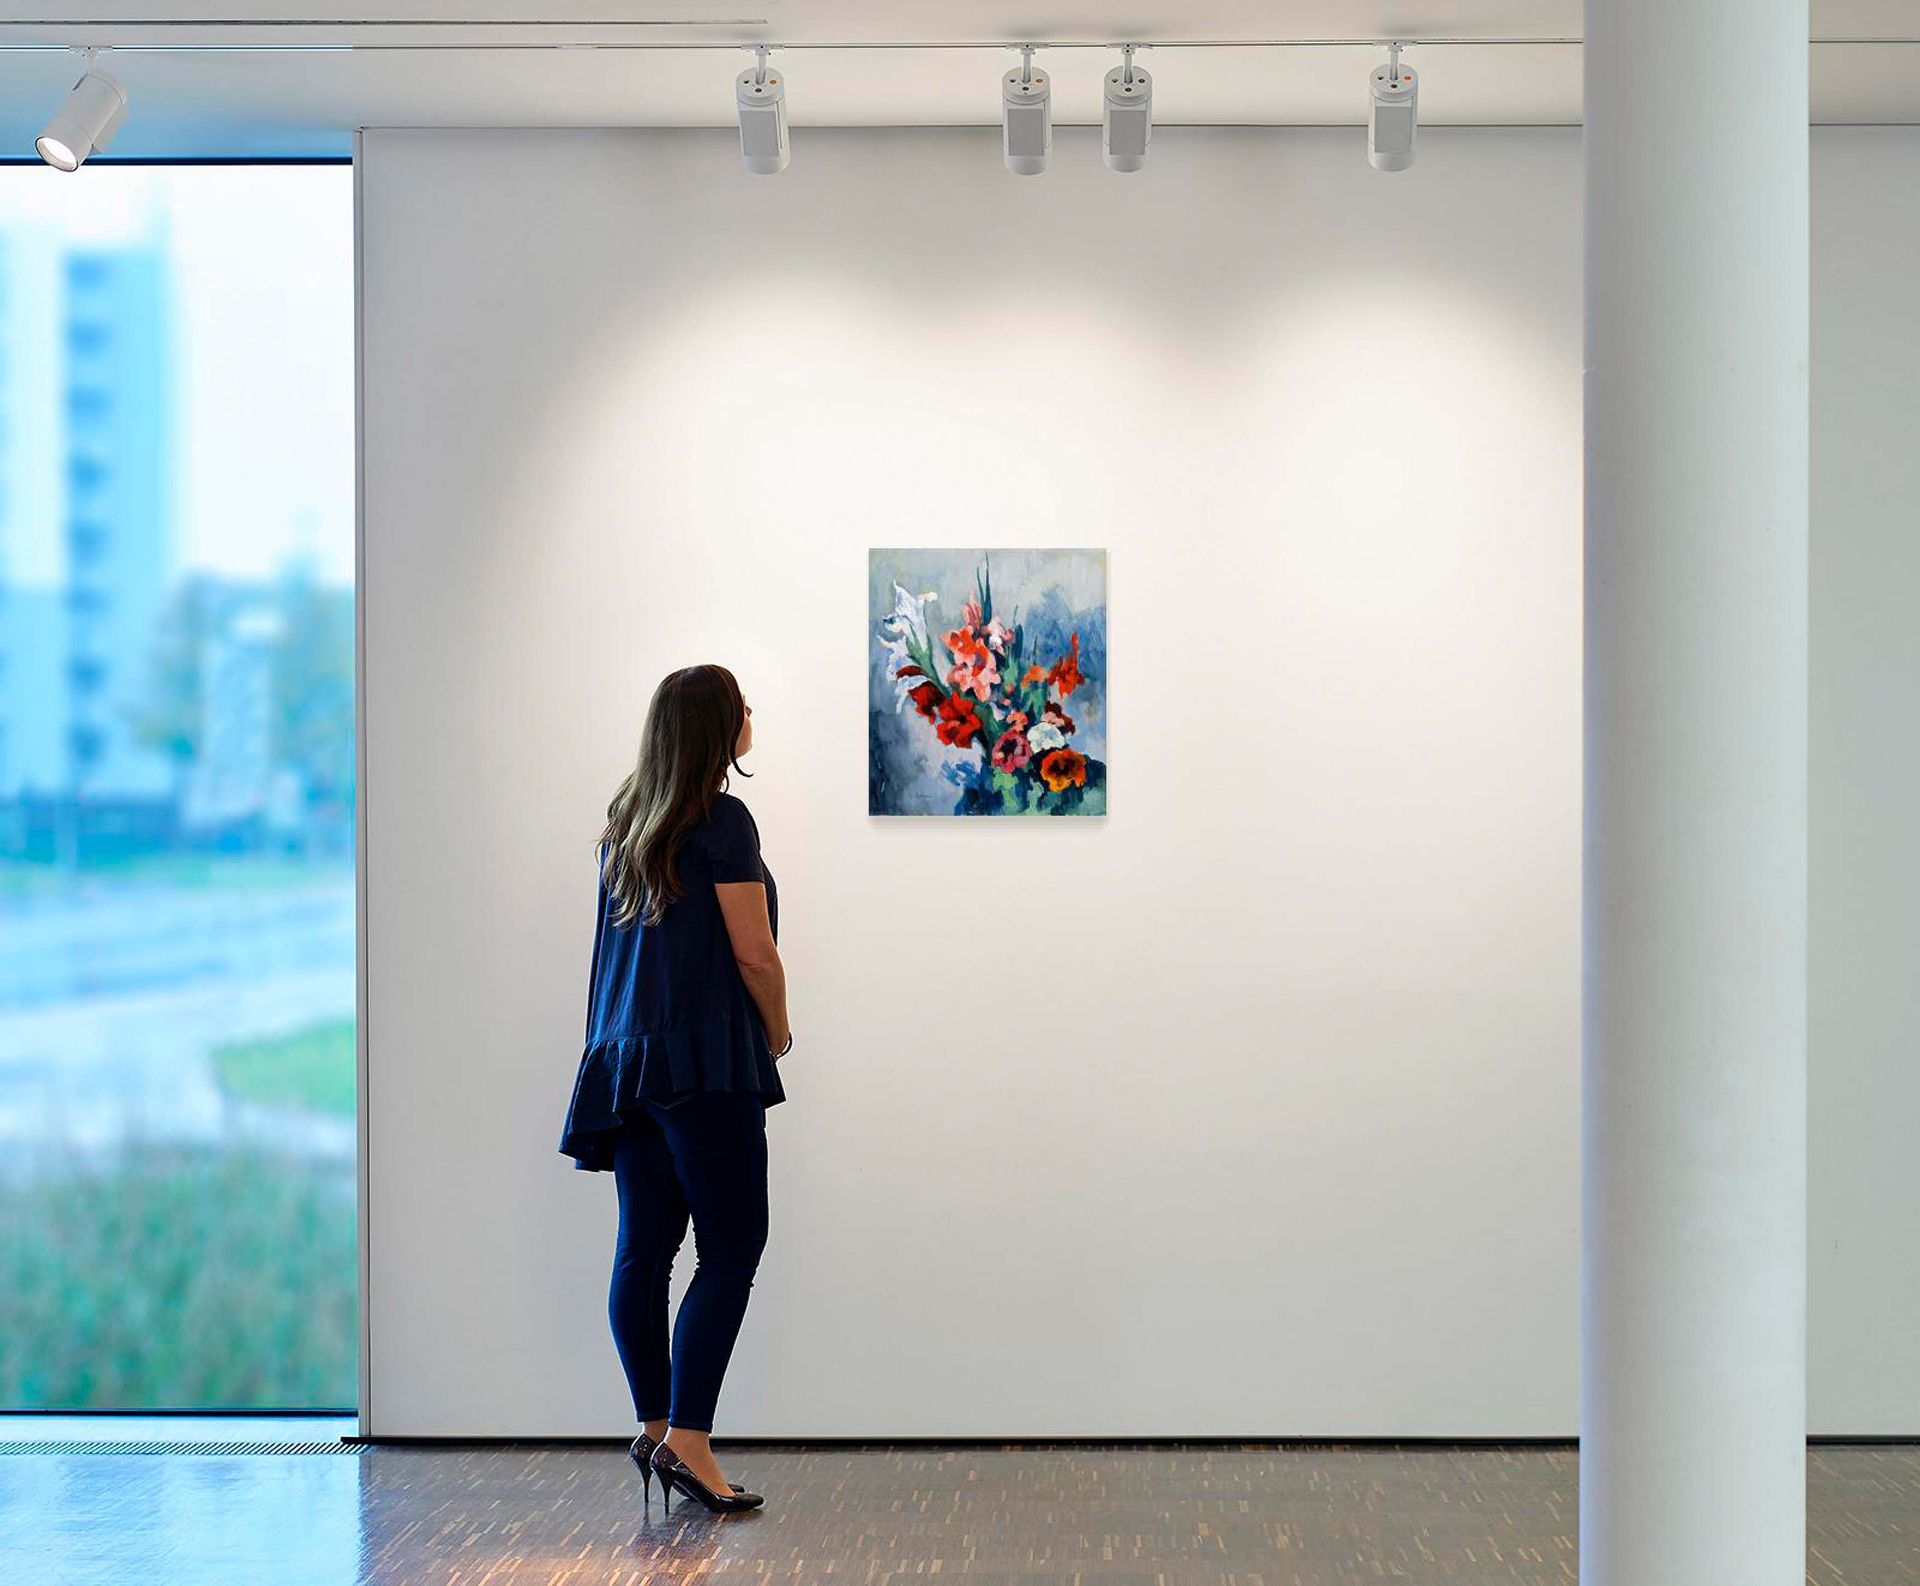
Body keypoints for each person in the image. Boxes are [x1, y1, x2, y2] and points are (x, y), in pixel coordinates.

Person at [558, 664, 790, 1515]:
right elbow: (753, 953)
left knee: (643, 1251)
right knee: (731, 1249)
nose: (752, 715)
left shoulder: (630, 824)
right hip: (702, 1059)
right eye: (741, 707)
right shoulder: (721, 821)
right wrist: (778, 1029)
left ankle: (656, 1426)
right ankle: (691, 1439)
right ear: (714, 729)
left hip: (628, 1061)